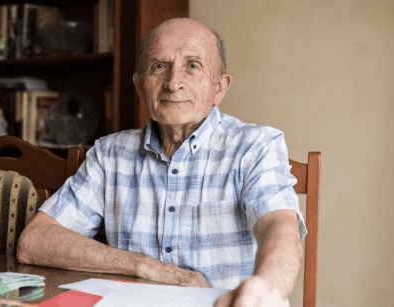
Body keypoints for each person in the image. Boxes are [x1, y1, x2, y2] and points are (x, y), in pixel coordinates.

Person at [17, 18, 306, 306]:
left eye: (193, 66)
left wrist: (267, 287)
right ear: (140, 87)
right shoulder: (110, 153)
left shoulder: (256, 146)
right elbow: (35, 241)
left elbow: (278, 227)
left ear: (220, 88)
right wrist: (146, 266)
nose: (173, 83)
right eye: (159, 66)